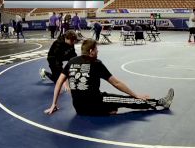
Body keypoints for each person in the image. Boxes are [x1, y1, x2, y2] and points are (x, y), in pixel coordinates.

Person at [44, 39, 174, 116]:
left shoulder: (71, 61)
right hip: (94, 104)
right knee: (126, 100)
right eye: (96, 49)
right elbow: (116, 83)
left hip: (79, 108)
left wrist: (54, 104)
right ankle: (160, 102)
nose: (98, 52)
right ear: (91, 51)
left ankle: (107, 110)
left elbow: (60, 82)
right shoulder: (96, 63)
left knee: (112, 106)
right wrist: (135, 95)